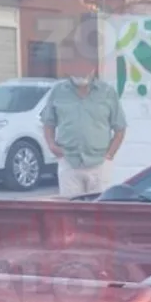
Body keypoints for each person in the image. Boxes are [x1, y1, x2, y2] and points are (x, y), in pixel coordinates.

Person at [41, 59, 128, 199]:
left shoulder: (108, 92)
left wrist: (109, 155)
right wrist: (52, 145)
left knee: (99, 209)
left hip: (99, 164)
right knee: (71, 209)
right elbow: (48, 122)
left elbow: (120, 128)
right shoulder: (58, 92)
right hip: (69, 162)